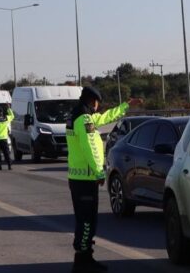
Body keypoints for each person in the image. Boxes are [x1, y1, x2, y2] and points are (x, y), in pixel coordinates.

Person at [66, 86, 129, 273]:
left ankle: (84, 258)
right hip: (85, 178)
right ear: (92, 101)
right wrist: (99, 173)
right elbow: (90, 148)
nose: (98, 107)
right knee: (87, 221)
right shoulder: (83, 119)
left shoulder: (78, 115)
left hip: (79, 177)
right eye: (97, 103)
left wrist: (125, 106)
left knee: (85, 220)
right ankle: (83, 260)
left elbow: (104, 118)